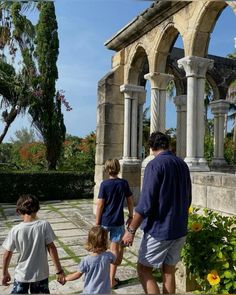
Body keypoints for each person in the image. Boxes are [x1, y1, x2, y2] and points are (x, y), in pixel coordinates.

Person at [122, 131, 192, 294]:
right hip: (179, 228)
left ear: (151, 147)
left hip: (160, 230)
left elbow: (145, 204)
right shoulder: (182, 164)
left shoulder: (155, 165)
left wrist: (131, 230)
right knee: (168, 271)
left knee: (144, 269)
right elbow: (188, 198)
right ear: (167, 145)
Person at [1, 194, 65, 294]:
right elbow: (51, 248)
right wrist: (59, 271)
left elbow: (6, 254)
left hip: (21, 275)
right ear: (37, 209)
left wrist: (4, 273)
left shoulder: (15, 230)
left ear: (18, 211)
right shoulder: (44, 225)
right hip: (41, 275)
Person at [95, 158, 134, 288]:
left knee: (101, 248)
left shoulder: (104, 184)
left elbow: (100, 205)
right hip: (118, 221)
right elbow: (130, 200)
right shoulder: (124, 183)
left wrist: (97, 223)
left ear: (107, 169)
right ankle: (111, 280)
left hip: (105, 221)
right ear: (118, 168)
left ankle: (101, 277)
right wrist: (130, 215)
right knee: (114, 248)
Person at [65, 226, 121, 294]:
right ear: (105, 241)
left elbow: (77, 275)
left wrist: (65, 278)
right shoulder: (108, 256)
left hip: (90, 292)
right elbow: (117, 261)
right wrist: (122, 248)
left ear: (89, 241)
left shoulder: (86, 260)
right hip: (105, 291)